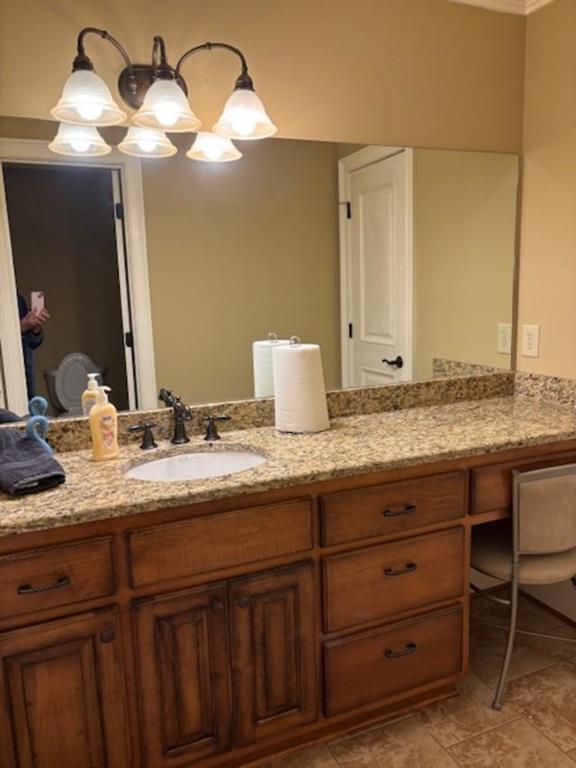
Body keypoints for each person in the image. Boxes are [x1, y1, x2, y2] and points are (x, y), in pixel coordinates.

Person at [18, 294, 50, 401]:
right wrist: (22, 326)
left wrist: (35, 327)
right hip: (10, 376)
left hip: (26, 371)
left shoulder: (18, 299)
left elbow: (32, 343)